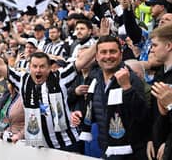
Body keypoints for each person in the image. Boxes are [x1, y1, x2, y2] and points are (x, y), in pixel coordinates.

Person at [0, 36, 96, 152]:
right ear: (29, 67)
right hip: (40, 148)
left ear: (49, 68)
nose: (38, 70)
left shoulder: (60, 77)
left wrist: (100, 40)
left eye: (42, 66)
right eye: (34, 66)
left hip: (68, 145)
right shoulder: (22, 80)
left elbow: (81, 61)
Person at [71, 36, 149, 159]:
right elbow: (100, 113)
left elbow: (143, 116)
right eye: (103, 52)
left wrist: (127, 88)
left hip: (131, 154)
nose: (108, 56)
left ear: (121, 54)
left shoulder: (131, 79)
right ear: (96, 57)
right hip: (107, 150)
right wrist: (81, 115)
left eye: (112, 51)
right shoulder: (95, 80)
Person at [148, 24, 172, 160]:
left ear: (168, 46)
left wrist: (169, 143)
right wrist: (151, 138)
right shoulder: (160, 74)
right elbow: (155, 113)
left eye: (155, 45)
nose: (151, 50)